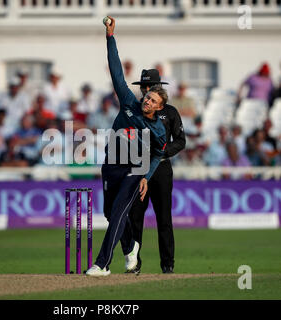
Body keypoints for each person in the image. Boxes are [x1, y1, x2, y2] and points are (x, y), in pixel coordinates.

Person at [86, 17, 167, 277]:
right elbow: (116, 71)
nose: (147, 99)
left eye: (152, 99)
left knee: (120, 212)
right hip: (111, 165)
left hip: (134, 170)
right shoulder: (129, 104)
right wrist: (110, 37)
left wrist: (146, 177)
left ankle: (102, 264)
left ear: (159, 107)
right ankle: (131, 245)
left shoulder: (157, 128)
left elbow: (158, 154)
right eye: (147, 96)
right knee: (110, 213)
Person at [121, 68, 186, 274]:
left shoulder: (170, 112)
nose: (146, 91)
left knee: (164, 219)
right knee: (135, 218)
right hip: (139, 167)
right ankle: (134, 264)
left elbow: (181, 141)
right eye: (144, 88)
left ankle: (167, 265)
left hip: (161, 169)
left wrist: (164, 153)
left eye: (150, 87)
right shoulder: (134, 110)